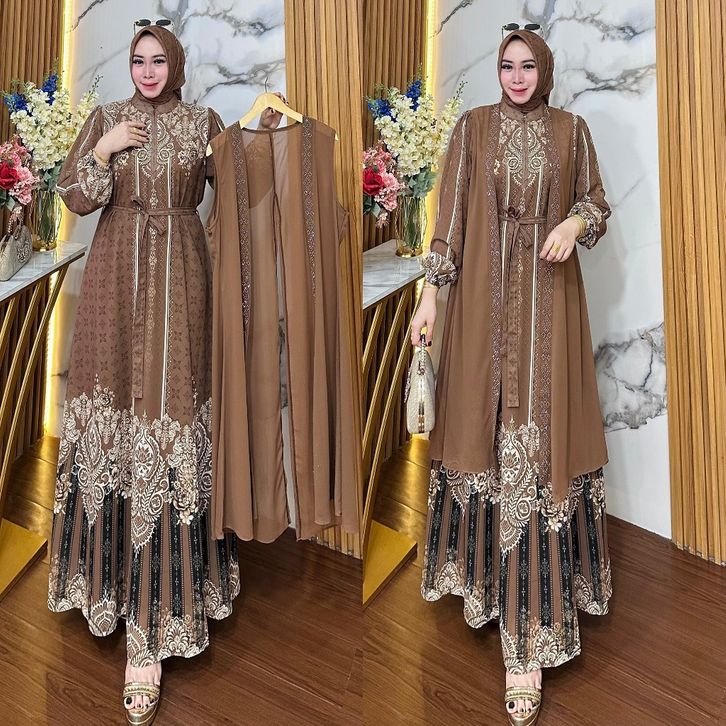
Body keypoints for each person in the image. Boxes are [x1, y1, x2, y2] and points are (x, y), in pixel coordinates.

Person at [48, 25, 281, 724]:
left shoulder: (202, 123)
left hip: (182, 287)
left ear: (175, 65)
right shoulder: (107, 117)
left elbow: (243, 192)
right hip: (114, 286)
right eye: (137, 61)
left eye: (158, 60)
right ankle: (107, 588)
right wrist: (103, 149)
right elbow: (73, 196)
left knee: (172, 423)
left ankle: (157, 624)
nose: (148, 71)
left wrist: (264, 136)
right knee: (116, 424)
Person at [411, 28, 612, 725]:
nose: (517, 76)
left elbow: (597, 202)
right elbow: (449, 221)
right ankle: (489, 591)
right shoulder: (472, 129)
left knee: (538, 452)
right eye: (507, 65)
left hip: (550, 310)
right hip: (481, 313)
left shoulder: (571, 130)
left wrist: (574, 225)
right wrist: (430, 297)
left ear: (544, 70)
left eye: (528, 66)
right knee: (485, 440)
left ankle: (529, 640)